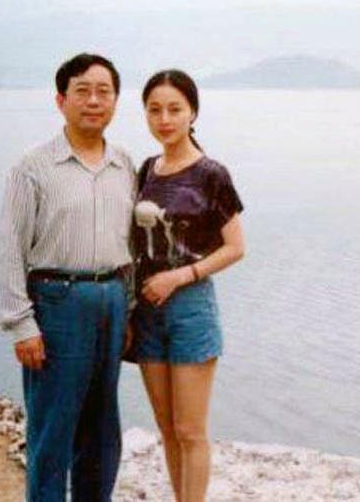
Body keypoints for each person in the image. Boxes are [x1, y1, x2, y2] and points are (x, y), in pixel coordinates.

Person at [0, 53, 135, 502]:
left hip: (112, 300)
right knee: (52, 431)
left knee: (102, 430)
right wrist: (22, 324)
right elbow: (10, 248)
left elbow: (130, 245)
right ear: (61, 100)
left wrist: (129, 309)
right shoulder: (32, 167)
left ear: (115, 101)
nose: (94, 101)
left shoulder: (124, 164)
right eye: (82, 91)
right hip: (57, 303)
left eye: (103, 92)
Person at [129, 69, 245, 502]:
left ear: (192, 112)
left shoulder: (212, 174)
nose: (164, 119)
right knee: (167, 429)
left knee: (191, 431)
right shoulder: (146, 170)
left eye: (174, 109)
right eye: (154, 110)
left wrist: (181, 276)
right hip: (147, 309)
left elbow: (235, 247)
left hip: (191, 307)